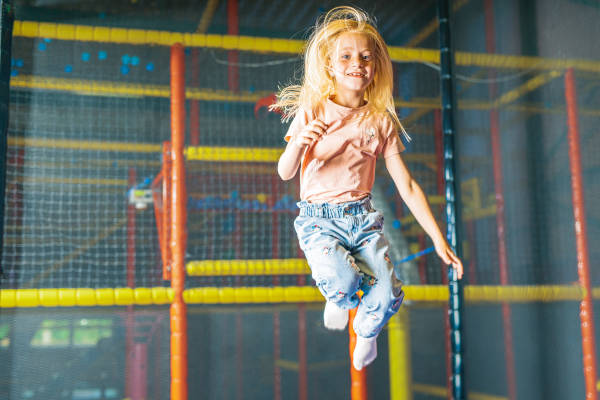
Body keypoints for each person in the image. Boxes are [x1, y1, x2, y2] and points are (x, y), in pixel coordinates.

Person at [272, 6, 463, 371]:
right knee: (343, 280)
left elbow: (405, 184)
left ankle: (367, 332)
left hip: (362, 220)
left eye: (365, 57)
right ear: (330, 65)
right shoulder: (313, 109)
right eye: (346, 56)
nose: (356, 63)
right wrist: (298, 144)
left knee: (390, 292)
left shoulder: (380, 120)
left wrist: (439, 239)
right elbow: (285, 172)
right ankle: (340, 297)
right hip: (319, 221)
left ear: (375, 67)